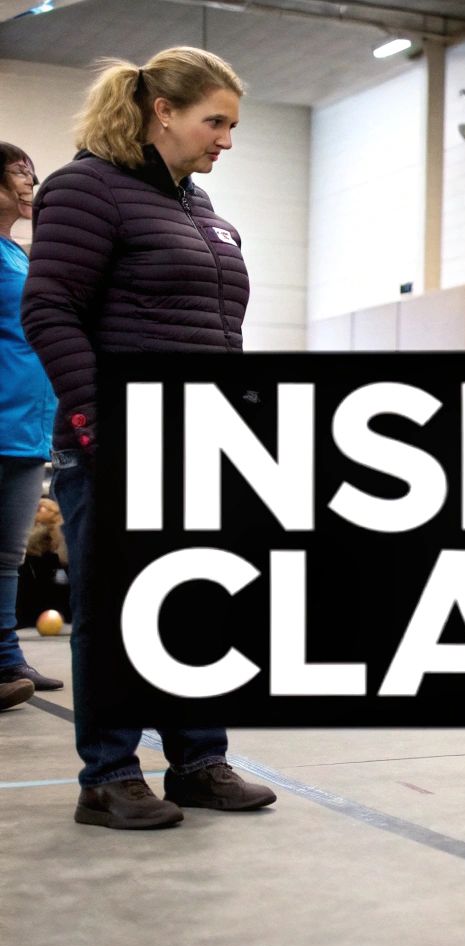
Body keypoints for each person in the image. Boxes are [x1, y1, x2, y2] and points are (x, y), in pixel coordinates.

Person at [22, 47, 276, 828]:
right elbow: (50, 310)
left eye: (231, 125)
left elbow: (214, 332)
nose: (225, 139)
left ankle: (198, 761)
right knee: (113, 607)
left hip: (199, 438)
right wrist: (100, 423)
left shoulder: (199, 209)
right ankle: (109, 775)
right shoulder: (85, 189)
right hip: (117, 438)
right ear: (162, 111)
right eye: (214, 122)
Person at [0, 141, 62, 714]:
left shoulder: (20, 254)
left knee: (8, 554)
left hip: (25, 425)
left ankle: (5, 660)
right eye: (21, 174)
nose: (31, 183)